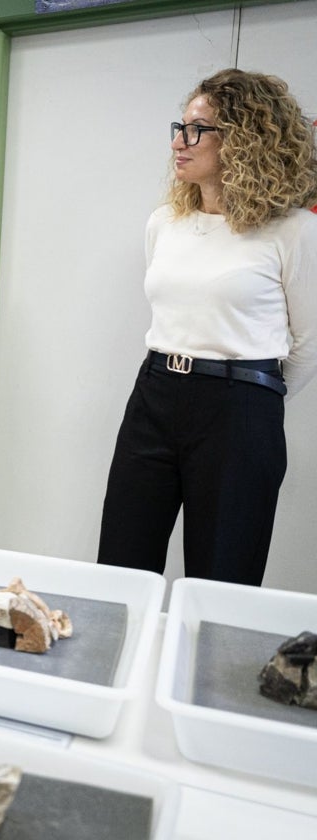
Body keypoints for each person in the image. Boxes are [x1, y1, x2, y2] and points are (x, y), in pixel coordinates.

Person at [98, 69, 317, 586]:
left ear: (244, 139)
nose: (179, 141)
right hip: (154, 394)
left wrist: (254, 402)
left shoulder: (294, 230)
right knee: (122, 564)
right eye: (180, 126)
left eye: (198, 129)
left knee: (222, 578)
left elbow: (307, 343)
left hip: (239, 407)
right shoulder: (165, 223)